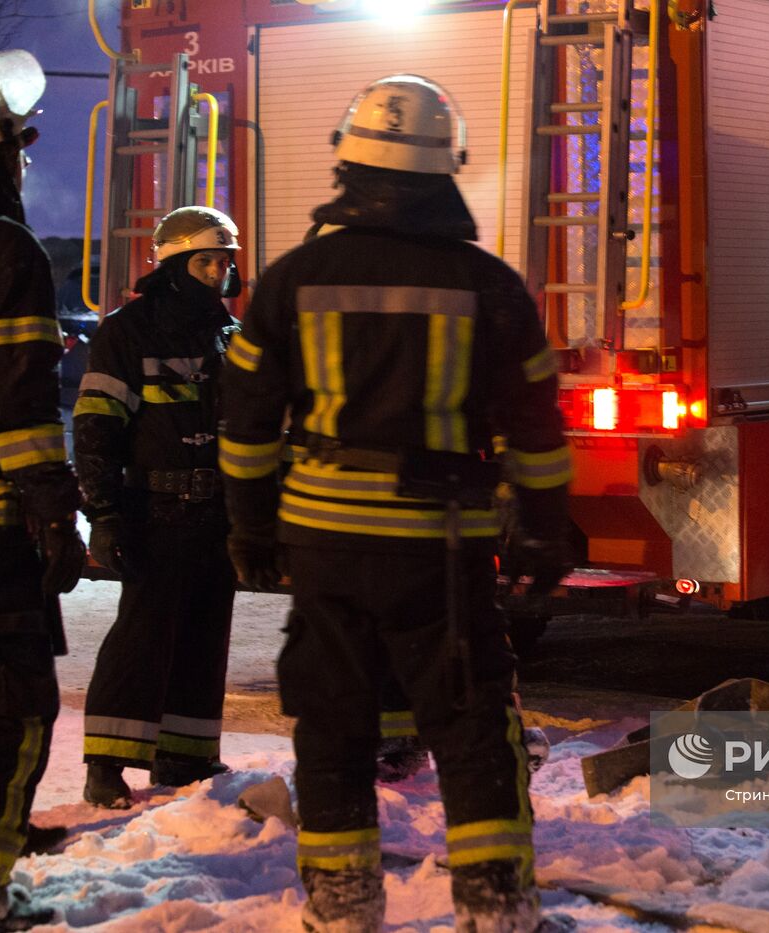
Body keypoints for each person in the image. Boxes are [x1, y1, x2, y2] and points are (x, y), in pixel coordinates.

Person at [220, 75, 571, 932]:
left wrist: (251, 524)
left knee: (333, 729)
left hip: (326, 544)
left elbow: (246, 423)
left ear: (346, 163)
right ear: (444, 169)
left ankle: (342, 910)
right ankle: (497, 911)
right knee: (470, 728)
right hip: (439, 549)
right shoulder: (489, 286)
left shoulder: (291, 279)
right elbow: (535, 424)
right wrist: (546, 529)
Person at [0, 50, 84, 929]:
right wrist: (54, 515)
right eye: (18, 151)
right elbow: (23, 407)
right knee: (7, 708)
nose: (23, 167)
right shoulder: (5, 250)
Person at [74, 206, 242, 808]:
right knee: (141, 639)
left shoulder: (227, 335)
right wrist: (105, 514)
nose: (218, 272)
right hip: (155, 510)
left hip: (215, 514)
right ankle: (107, 764)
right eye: (205, 260)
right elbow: (95, 430)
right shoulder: (128, 332)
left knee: (204, 636)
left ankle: (187, 758)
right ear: (173, 265)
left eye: (225, 262)